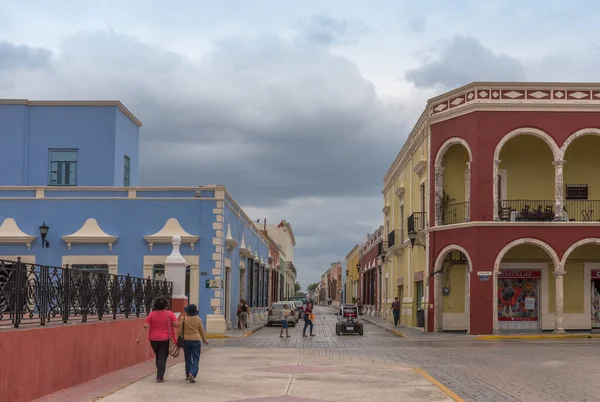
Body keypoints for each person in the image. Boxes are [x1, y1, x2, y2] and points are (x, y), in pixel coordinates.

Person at [136, 297, 179, 382]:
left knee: (158, 356)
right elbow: (176, 324)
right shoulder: (169, 314)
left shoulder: (152, 314)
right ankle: (160, 376)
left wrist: (139, 337)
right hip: (165, 339)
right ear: (166, 306)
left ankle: (159, 371)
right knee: (162, 357)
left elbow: (145, 326)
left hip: (153, 339)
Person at [178, 304, 209, 383]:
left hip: (186, 340)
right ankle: (192, 373)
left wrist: (177, 340)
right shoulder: (198, 319)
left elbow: (180, 331)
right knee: (196, 358)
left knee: (187, 358)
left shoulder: (183, 319)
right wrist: (204, 339)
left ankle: (188, 374)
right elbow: (201, 330)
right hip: (195, 340)